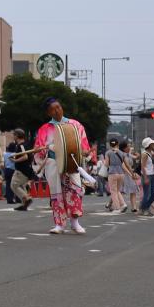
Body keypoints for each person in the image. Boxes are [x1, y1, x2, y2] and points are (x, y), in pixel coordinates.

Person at [34, 99, 95, 235]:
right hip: (53, 163)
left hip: (71, 162)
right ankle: (59, 224)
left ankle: (75, 222)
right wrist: (41, 149)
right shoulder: (44, 129)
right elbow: (39, 149)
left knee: (74, 191)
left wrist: (85, 151)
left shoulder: (74, 124)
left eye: (58, 107)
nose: (57, 110)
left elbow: (84, 144)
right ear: (48, 112)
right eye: (53, 109)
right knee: (56, 194)